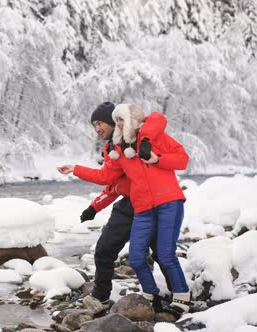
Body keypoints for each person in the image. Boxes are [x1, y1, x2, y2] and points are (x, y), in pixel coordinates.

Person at [58, 103, 192, 317]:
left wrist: (150, 146)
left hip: (159, 202)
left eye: (100, 123)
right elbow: (111, 181)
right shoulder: (115, 150)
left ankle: (179, 296)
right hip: (137, 205)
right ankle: (119, 295)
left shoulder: (144, 136)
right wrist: (93, 204)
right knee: (123, 253)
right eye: (93, 125)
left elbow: (156, 119)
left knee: (162, 254)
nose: (97, 129)